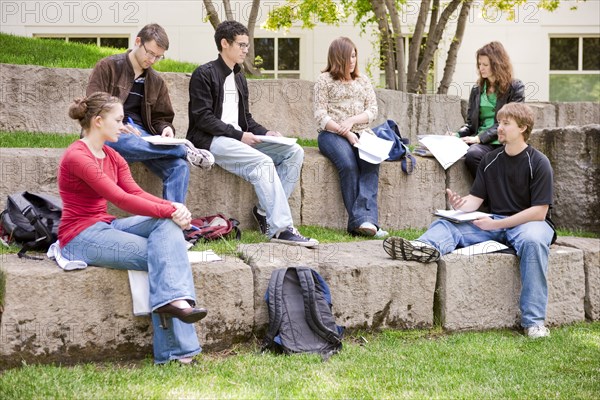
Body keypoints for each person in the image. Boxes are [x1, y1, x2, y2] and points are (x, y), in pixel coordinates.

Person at [59, 92, 207, 364]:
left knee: (167, 228)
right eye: (118, 119)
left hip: (106, 225)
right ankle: (178, 344)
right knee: (165, 254)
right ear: (98, 121)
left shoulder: (112, 155)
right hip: (80, 236)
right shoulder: (77, 156)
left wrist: (172, 208)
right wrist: (171, 208)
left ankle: (172, 308)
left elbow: (136, 192)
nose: (124, 125)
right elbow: (120, 199)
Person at [384, 103, 556, 339]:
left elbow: (539, 212)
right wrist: (459, 205)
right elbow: (475, 201)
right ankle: (425, 247)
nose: (499, 128)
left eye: (506, 123)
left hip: (530, 225)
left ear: (523, 128)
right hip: (495, 222)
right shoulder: (490, 160)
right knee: (447, 224)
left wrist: (496, 224)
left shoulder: (539, 162)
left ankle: (534, 322)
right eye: (499, 122)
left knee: (534, 242)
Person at [186, 20, 318, 247]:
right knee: (263, 163)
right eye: (241, 45)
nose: (246, 50)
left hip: (238, 139)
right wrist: (239, 136)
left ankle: (264, 212)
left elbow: (245, 120)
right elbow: (203, 118)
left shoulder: (238, 76)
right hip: (211, 141)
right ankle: (281, 229)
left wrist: (267, 132)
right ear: (225, 43)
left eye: (247, 45)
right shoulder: (204, 74)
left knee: (294, 152)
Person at [87, 23, 214, 203]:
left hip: (143, 137)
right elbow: (94, 103)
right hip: (109, 131)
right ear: (138, 42)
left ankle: (173, 224)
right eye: (150, 53)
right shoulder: (108, 66)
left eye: (158, 57)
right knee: (123, 140)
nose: (153, 60)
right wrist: (118, 125)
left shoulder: (156, 81)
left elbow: (161, 117)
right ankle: (180, 149)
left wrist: (166, 129)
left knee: (179, 167)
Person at [314, 37, 387, 238]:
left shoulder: (363, 80)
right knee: (348, 165)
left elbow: (372, 110)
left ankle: (366, 222)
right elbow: (320, 115)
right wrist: (346, 132)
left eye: (354, 55)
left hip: (362, 132)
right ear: (338, 58)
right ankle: (362, 222)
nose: (352, 60)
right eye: (348, 56)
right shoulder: (324, 80)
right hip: (331, 134)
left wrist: (353, 121)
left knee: (371, 163)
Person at [455, 41, 525, 178]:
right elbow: (470, 123)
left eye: (485, 65)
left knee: (473, 155)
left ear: (497, 64)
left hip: (502, 141)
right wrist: (457, 135)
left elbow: (511, 121)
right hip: (478, 141)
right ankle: (492, 193)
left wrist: (479, 138)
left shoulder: (516, 87)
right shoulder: (477, 89)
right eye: (479, 64)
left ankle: (486, 194)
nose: (481, 68)